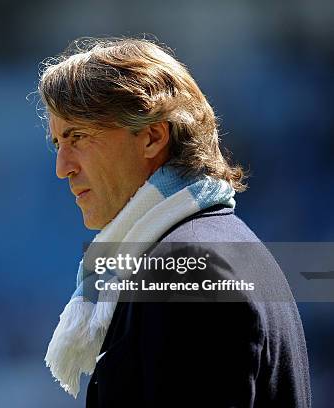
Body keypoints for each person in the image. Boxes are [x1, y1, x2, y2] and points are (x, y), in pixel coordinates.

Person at [38, 37, 311, 407]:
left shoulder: (185, 268)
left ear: (152, 137)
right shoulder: (214, 246)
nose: (62, 168)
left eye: (79, 136)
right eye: (57, 143)